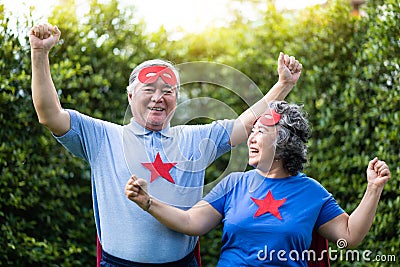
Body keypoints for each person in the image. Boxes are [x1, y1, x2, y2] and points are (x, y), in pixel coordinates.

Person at [29, 23, 302, 266]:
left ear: (177, 98)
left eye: (167, 91)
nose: (158, 97)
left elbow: (243, 125)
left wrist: (283, 85)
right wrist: (39, 54)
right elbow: (49, 114)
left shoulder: (196, 138)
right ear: (130, 95)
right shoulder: (102, 136)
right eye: (149, 89)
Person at [125, 101, 391, 266]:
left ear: (285, 141)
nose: (251, 138)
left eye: (260, 132)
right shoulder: (233, 184)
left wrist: (373, 188)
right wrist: (148, 202)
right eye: (251, 132)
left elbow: (349, 237)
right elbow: (190, 223)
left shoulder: (311, 192)